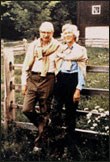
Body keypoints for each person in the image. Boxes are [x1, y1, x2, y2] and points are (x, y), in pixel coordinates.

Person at [21, 21, 60, 151]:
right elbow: (26, 65)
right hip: (33, 78)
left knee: (45, 110)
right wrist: (23, 83)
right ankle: (43, 125)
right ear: (40, 32)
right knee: (26, 109)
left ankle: (38, 144)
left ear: (53, 33)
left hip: (48, 78)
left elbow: (61, 64)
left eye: (48, 32)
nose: (46, 34)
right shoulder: (33, 46)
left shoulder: (58, 46)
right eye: (43, 32)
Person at [53, 24, 88, 156]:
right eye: (65, 33)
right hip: (60, 82)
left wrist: (78, 89)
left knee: (70, 115)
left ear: (74, 35)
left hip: (72, 83)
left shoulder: (80, 50)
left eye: (69, 33)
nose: (67, 35)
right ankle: (57, 145)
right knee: (55, 113)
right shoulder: (60, 49)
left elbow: (82, 71)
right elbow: (56, 64)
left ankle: (70, 146)